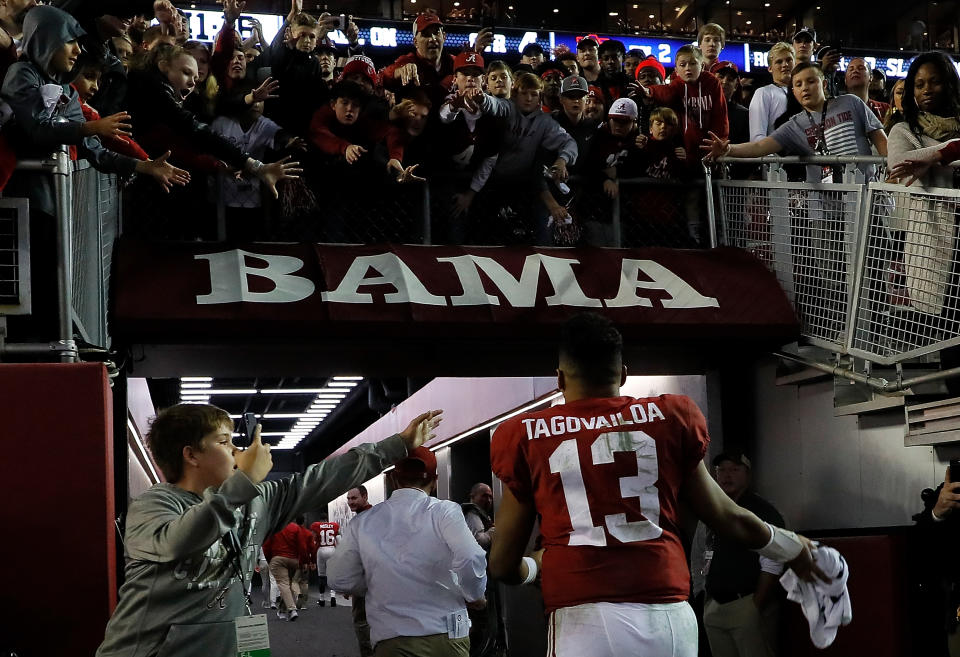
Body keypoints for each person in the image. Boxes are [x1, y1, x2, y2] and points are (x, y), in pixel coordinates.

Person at [487, 312, 827, 657]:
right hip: (668, 612)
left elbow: (502, 564)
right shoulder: (670, 417)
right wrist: (793, 547)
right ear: (622, 374)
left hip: (584, 614)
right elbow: (728, 516)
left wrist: (534, 566)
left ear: (559, 379)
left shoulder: (526, 435)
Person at [95, 403, 442, 657]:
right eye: (223, 441)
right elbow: (179, 541)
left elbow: (321, 479)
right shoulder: (153, 507)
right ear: (191, 455)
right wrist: (243, 481)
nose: (237, 451)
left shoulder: (256, 500)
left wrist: (398, 445)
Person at [328, 447, 487, 657]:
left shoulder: (362, 522)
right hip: (448, 635)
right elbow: (470, 556)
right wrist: (474, 594)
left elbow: (339, 578)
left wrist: (376, 582)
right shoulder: (445, 511)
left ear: (394, 478)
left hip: (392, 638)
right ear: (435, 480)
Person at [703, 62, 887, 183]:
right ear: (794, 91)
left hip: (865, 194)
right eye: (798, 84)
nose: (804, 88)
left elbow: (880, 138)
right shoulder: (795, 125)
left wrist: (892, 171)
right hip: (825, 206)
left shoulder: (851, 102)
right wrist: (728, 149)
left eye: (810, 81)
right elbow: (759, 146)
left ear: (823, 85)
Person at [701, 452, 786, 657]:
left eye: (734, 470)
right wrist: (704, 597)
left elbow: (773, 560)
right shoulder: (714, 509)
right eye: (722, 470)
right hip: (715, 605)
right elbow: (701, 552)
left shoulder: (762, 511)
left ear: (747, 475)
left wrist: (755, 605)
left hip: (746, 603)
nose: (727, 475)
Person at [347, 485, 375, 657]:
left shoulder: (364, 519)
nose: (350, 502)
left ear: (365, 496)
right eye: (349, 499)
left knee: (362, 620)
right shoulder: (370, 517)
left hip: (367, 580)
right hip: (374, 578)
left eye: (354, 498)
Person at [748, 42, 794, 142]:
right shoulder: (763, 93)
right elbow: (757, 138)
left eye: (789, 60)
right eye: (779, 62)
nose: (785, 65)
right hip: (777, 156)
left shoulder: (803, 93)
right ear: (770, 68)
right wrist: (774, 157)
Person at [312, 519, 341, 606]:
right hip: (332, 549)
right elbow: (339, 540)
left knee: (321, 576)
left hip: (321, 550)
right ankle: (333, 597)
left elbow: (313, 540)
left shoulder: (317, 526)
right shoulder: (334, 526)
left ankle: (322, 599)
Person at [463, 482, 495, 550]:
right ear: (472, 497)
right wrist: (493, 531)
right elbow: (478, 542)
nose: (488, 500)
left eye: (490, 497)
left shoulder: (479, 514)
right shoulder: (472, 514)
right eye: (484, 496)